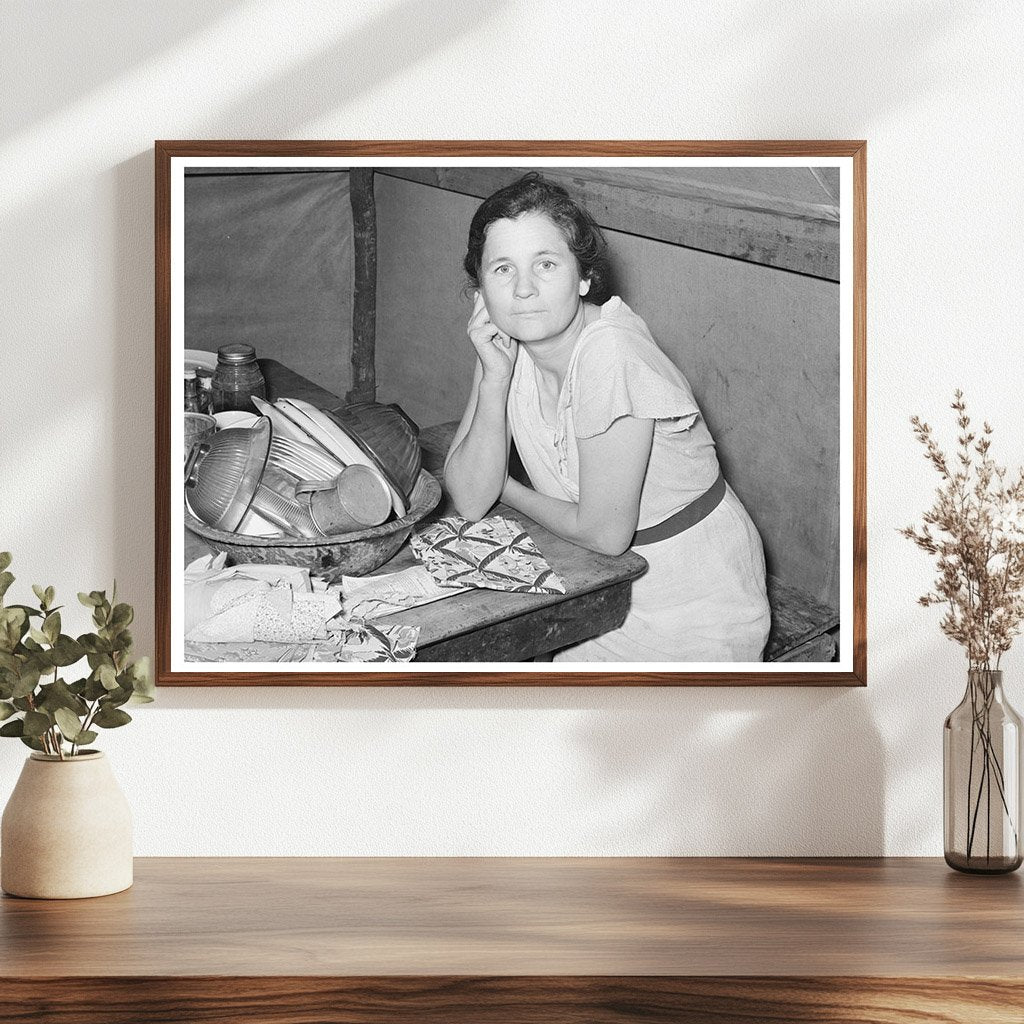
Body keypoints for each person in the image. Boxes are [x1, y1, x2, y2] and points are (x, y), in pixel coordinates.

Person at [444, 173, 770, 662]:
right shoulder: (506, 345)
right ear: (481, 291)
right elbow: (471, 499)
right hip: (598, 589)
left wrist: (505, 489)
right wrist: (494, 379)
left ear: (583, 278)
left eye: (546, 264)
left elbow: (604, 534)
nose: (524, 289)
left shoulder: (611, 354)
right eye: (503, 269)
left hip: (691, 605)